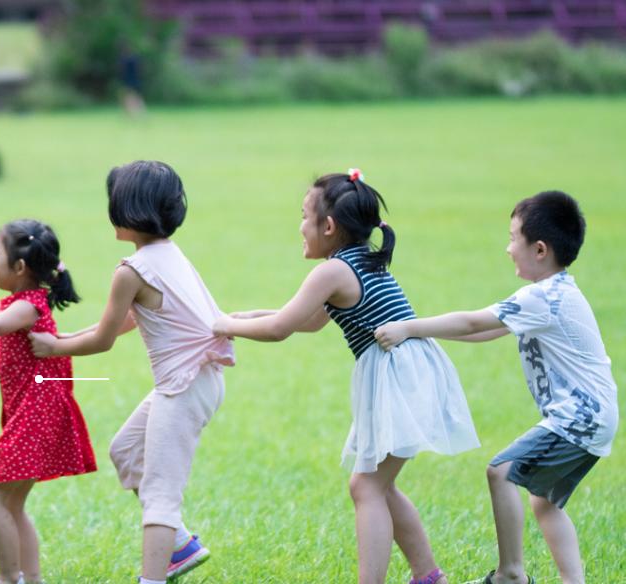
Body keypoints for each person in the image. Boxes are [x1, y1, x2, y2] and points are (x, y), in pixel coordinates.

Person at [213, 170, 478, 584]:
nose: (300, 226)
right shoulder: (354, 262)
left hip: (399, 377)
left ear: (329, 226)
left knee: (366, 487)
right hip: (406, 372)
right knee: (380, 486)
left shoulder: (332, 271)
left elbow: (281, 329)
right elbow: (309, 320)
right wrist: (247, 317)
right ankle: (428, 577)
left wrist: (224, 326)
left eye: (304, 215)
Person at [375, 191, 617, 584]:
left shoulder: (544, 297)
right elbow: (487, 331)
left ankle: (510, 575)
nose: (507, 248)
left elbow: (473, 322)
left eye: (512, 238)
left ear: (539, 249)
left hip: (580, 418)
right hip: (595, 417)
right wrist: (423, 338)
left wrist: (409, 327)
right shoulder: (554, 292)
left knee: (501, 471)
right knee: (544, 500)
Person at [30, 161, 234, 584]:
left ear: (128, 208)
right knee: (126, 449)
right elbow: (126, 321)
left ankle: (153, 576)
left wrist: (55, 347)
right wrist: (66, 338)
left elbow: (104, 339)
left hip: (182, 387)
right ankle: (179, 545)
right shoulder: (165, 256)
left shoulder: (131, 271)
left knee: (160, 494)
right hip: (200, 381)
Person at [0, 219, 96, 584]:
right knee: (11, 503)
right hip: (35, 413)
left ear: (19, 268)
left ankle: (8, 578)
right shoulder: (24, 301)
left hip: (37, 414)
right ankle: (30, 579)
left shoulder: (28, 309)